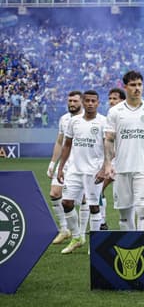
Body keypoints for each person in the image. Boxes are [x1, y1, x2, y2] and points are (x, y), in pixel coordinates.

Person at [98, 70, 144, 231]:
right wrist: (107, 165)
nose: (137, 88)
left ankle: (143, 247)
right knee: (124, 214)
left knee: (143, 209)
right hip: (121, 169)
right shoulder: (115, 112)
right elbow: (109, 140)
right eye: (133, 85)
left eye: (140, 85)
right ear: (125, 87)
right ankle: (131, 247)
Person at [55, 90, 107, 254]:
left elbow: (109, 147)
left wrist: (104, 168)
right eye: (88, 101)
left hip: (94, 172)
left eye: (94, 101)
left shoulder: (104, 122)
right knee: (66, 203)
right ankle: (77, 237)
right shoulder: (74, 121)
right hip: (74, 170)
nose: (90, 104)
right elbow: (67, 145)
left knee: (93, 206)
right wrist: (61, 167)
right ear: (83, 102)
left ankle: (95, 243)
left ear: (98, 103)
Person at [48, 90, 82, 244]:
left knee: (82, 201)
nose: (72, 104)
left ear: (81, 102)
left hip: (82, 164)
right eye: (70, 101)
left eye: (75, 101)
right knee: (55, 193)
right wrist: (53, 163)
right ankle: (64, 229)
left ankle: (81, 232)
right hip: (65, 163)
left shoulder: (88, 119)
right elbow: (60, 142)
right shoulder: (64, 119)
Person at [98, 87, 126, 229]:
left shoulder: (125, 117)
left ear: (122, 100)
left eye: (115, 98)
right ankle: (102, 222)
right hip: (112, 162)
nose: (111, 101)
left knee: (129, 198)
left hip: (124, 161)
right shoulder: (108, 117)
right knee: (98, 189)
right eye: (110, 98)